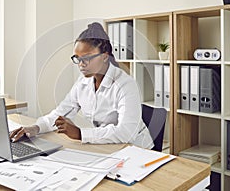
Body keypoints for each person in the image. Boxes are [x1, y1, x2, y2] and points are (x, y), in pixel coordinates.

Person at [10, 22, 154, 149]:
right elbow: (60, 113)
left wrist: (80, 133)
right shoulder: (83, 82)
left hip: (136, 149)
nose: (81, 64)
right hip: (109, 146)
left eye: (86, 58)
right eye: (77, 58)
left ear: (105, 56)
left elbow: (126, 132)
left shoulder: (125, 84)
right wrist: (35, 128)